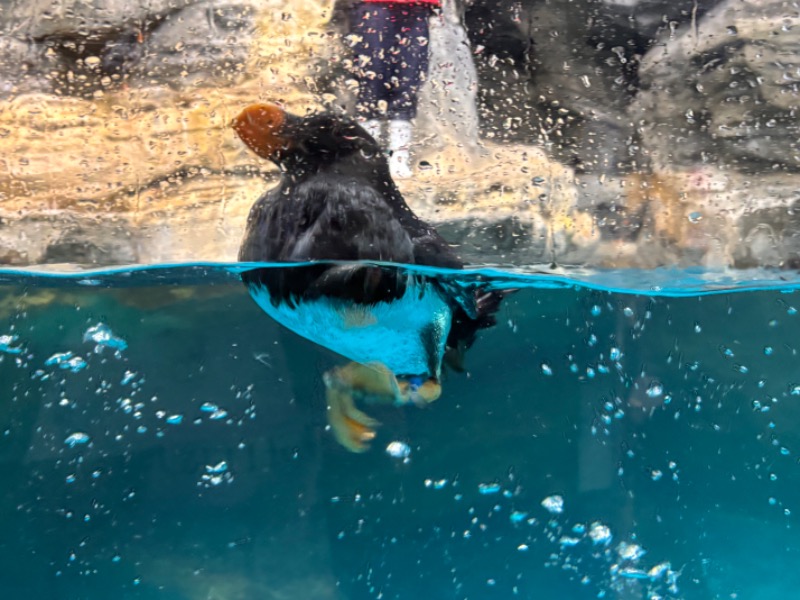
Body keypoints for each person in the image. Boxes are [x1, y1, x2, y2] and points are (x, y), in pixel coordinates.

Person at [348, 0, 441, 178]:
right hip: (374, 6)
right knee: (372, 76)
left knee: (409, 79)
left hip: (418, 7)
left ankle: (399, 156)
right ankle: (367, 155)